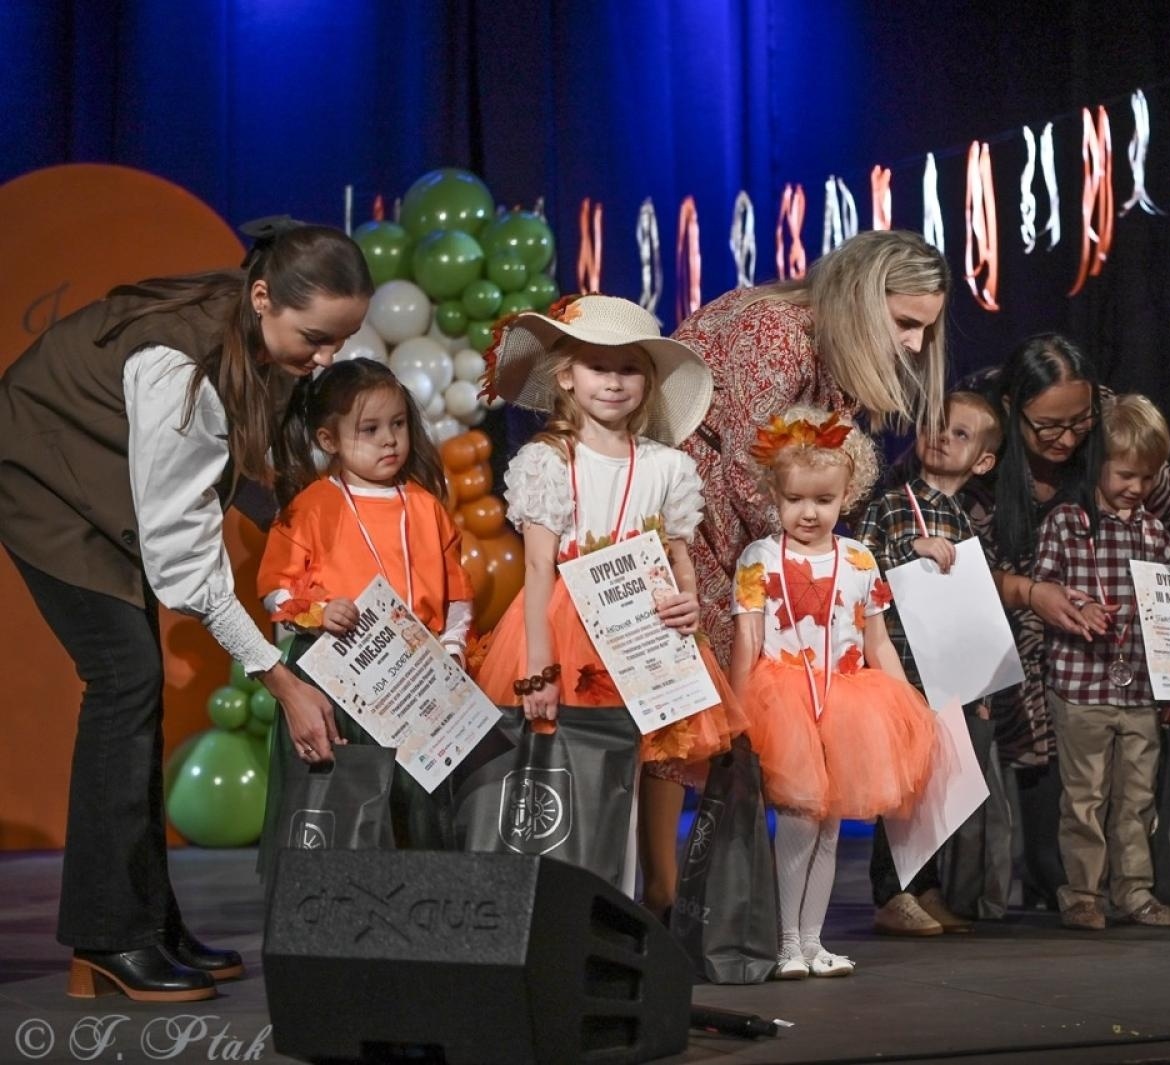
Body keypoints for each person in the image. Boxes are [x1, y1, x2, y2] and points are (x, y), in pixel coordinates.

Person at [0, 224, 372, 1001]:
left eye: (341, 341)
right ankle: (109, 939)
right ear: (265, 296)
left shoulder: (258, 330)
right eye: (315, 338)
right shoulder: (186, 370)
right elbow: (185, 568)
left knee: (129, 690)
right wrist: (280, 679)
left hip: (100, 472)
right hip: (41, 475)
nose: (326, 360)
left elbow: (245, 470)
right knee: (125, 679)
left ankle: (146, 922)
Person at [473, 295, 745, 915]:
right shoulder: (548, 461)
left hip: (641, 634)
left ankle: (618, 919)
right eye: (599, 367)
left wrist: (690, 603)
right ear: (567, 375)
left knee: (630, 775)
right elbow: (539, 567)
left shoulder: (667, 466)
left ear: (647, 380)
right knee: (570, 775)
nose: (615, 382)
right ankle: (557, 915)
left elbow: (678, 556)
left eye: (629, 368)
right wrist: (539, 665)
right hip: (566, 631)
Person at [964, 335, 1170, 907]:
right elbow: (954, 568)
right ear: (1014, 408)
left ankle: (1129, 891)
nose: (1067, 439)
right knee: (1054, 833)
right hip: (1017, 653)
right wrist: (1031, 593)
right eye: (1048, 427)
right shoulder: (980, 443)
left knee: (1124, 798)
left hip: (1109, 667)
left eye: (1078, 423)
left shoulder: (1109, 430)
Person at [675, 229, 952, 665]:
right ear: (860, 298)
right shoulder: (777, 330)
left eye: (924, 329)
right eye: (905, 323)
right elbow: (750, 474)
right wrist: (824, 567)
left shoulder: (839, 351)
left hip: (759, 535)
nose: (916, 344)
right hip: (701, 530)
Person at [730, 406, 937, 979]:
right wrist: (742, 713)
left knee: (830, 828)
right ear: (774, 494)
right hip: (784, 703)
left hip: (847, 703)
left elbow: (878, 641)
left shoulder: (859, 560)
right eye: (795, 499)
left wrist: (904, 710)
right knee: (798, 820)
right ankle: (786, 942)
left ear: (847, 495)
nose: (809, 513)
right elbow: (746, 643)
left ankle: (814, 941)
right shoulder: (760, 559)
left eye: (823, 500)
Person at [256, 357, 472, 856]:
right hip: (338, 682)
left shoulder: (425, 506)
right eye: (370, 429)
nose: (390, 440)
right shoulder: (310, 507)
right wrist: (318, 610)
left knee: (418, 813)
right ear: (329, 439)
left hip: (415, 681)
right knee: (344, 814)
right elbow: (275, 589)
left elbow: (457, 591)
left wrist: (453, 645)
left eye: (397, 425)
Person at [1034, 394, 1170, 931]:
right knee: (1084, 799)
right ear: (1097, 461)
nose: (1137, 488)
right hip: (1081, 688)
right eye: (1125, 474)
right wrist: (1078, 605)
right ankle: (1080, 894)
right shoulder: (1066, 526)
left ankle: (1135, 893)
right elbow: (1042, 590)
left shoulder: (1157, 535)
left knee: (1137, 801)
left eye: (1147, 478)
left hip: (1140, 689)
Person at [855, 391, 1001, 936]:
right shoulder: (894, 504)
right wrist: (906, 552)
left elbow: (974, 607)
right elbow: (859, 570)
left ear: (983, 461)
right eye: (936, 425)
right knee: (907, 786)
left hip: (948, 673)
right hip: (903, 667)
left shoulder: (967, 518)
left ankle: (925, 884)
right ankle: (890, 892)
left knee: (941, 782)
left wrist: (983, 683)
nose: (942, 435)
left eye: (960, 434)